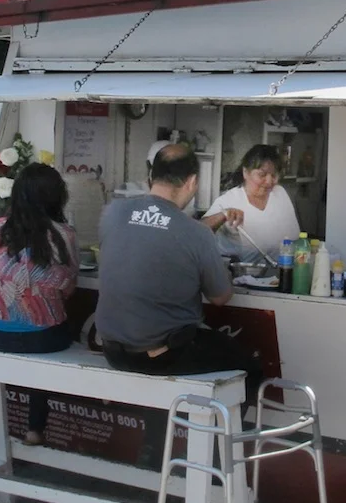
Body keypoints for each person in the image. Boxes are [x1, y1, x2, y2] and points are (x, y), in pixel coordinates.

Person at [96, 144, 262, 400]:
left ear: (151, 177)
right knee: (251, 366)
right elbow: (220, 296)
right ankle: (222, 439)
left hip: (112, 351)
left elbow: (154, 237)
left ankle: (155, 438)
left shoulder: (112, 213)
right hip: (163, 355)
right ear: (192, 181)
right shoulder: (197, 234)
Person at [0, 163, 78, 446]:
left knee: (31, 337)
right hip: (47, 338)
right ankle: (35, 427)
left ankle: (29, 427)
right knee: (48, 335)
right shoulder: (63, 235)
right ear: (57, 197)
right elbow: (69, 289)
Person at [202, 144, 300, 262]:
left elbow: (295, 239)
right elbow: (196, 231)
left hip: (279, 274)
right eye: (262, 175)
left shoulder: (280, 193)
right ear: (245, 172)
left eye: (274, 175)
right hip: (242, 275)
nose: (269, 181)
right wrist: (222, 215)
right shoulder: (229, 200)